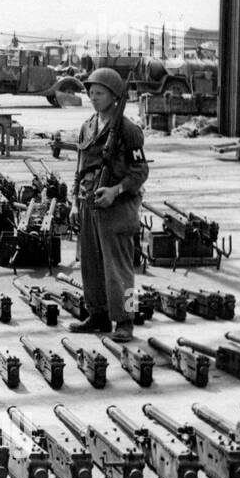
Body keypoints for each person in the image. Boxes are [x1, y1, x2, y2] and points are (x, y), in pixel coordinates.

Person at [70, 67, 148, 342]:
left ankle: (125, 321)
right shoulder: (88, 126)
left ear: (115, 96)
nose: (93, 97)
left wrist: (116, 190)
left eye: (99, 93)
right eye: (91, 92)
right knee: (91, 266)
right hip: (89, 202)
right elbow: (80, 167)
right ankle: (99, 316)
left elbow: (140, 172)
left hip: (117, 208)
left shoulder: (128, 130)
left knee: (120, 270)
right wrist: (74, 202)